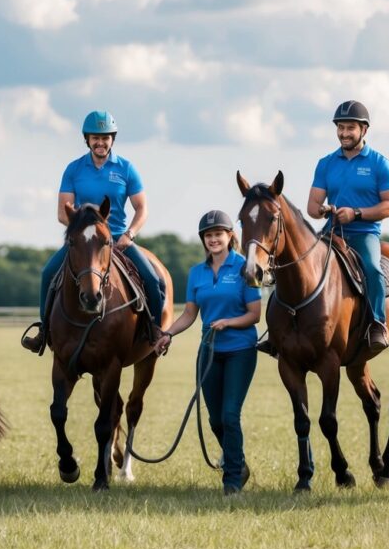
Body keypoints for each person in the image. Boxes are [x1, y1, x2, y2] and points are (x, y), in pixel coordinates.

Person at [21, 111, 166, 353]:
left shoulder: (126, 168)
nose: (100, 142)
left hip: (119, 238)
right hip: (84, 240)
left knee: (153, 279)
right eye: (95, 138)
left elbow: (142, 208)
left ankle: (155, 331)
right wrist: (82, 229)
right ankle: (44, 331)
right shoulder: (74, 169)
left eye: (105, 138)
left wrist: (129, 234)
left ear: (112, 139)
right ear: (87, 140)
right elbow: (61, 212)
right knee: (48, 273)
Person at [153, 210, 261, 495]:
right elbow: (189, 314)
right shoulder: (196, 273)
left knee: (229, 415)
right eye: (208, 235)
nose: (213, 239)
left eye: (218, 234)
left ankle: (232, 481)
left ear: (230, 236)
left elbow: (255, 314)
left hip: (240, 350)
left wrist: (228, 322)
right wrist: (168, 334)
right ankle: (237, 461)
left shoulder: (247, 268)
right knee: (215, 419)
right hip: (209, 351)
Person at [305, 100, 389, 351]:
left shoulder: (379, 163)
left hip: (364, 233)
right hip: (331, 232)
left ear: (364, 130)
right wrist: (324, 209)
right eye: (340, 128)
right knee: (297, 261)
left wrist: (356, 213)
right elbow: (312, 207)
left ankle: (378, 324)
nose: (344, 133)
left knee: (372, 269)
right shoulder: (326, 163)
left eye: (350, 128)